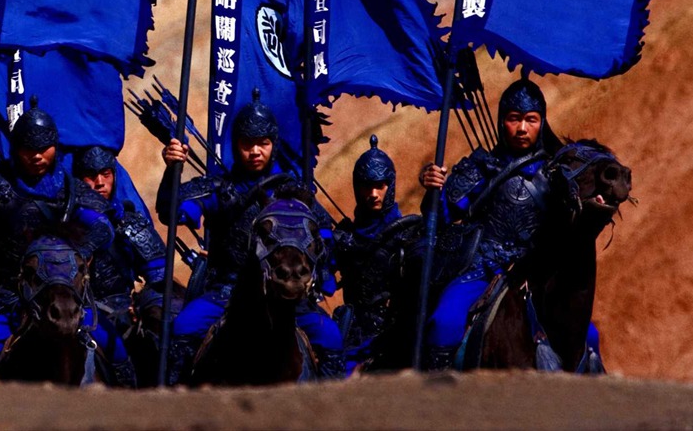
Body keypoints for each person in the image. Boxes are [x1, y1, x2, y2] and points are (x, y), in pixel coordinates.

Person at [158, 91, 343, 381]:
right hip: (227, 291)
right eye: (247, 143)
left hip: (285, 291)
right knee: (183, 327)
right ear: (235, 145)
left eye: (263, 143)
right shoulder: (219, 188)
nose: (255, 151)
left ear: (274, 144)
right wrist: (172, 170)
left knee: (330, 337)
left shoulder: (293, 191)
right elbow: (173, 212)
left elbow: (323, 235)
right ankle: (176, 403)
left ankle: (333, 409)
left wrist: (318, 271)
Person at [0, 99, 115, 377]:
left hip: (63, 297)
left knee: (115, 349)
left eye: (44, 149)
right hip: (2, 299)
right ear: (15, 148)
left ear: (56, 147)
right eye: (28, 149)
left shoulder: (71, 191)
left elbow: (103, 226)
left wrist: (80, 250)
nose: (36, 156)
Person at [417, 78, 561, 369]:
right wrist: (434, 189)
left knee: (589, 336)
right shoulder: (482, 166)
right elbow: (443, 216)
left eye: (531, 120)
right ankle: (436, 401)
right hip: (482, 271)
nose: (522, 128)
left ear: (542, 123)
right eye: (514, 119)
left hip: (537, 275)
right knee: (443, 323)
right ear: (501, 121)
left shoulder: (558, 172)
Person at [72, 145, 166, 387]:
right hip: (71, 312)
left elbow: (160, 278)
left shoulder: (129, 223)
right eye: (91, 176)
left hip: (122, 314)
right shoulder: (63, 224)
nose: (100, 183)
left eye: (106, 174)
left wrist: (148, 307)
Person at [332, 135, 421, 374]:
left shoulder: (410, 234)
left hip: (397, 330)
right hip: (353, 330)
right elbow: (322, 277)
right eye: (366, 186)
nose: (373, 193)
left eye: (380, 185)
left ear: (389, 185)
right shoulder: (345, 238)